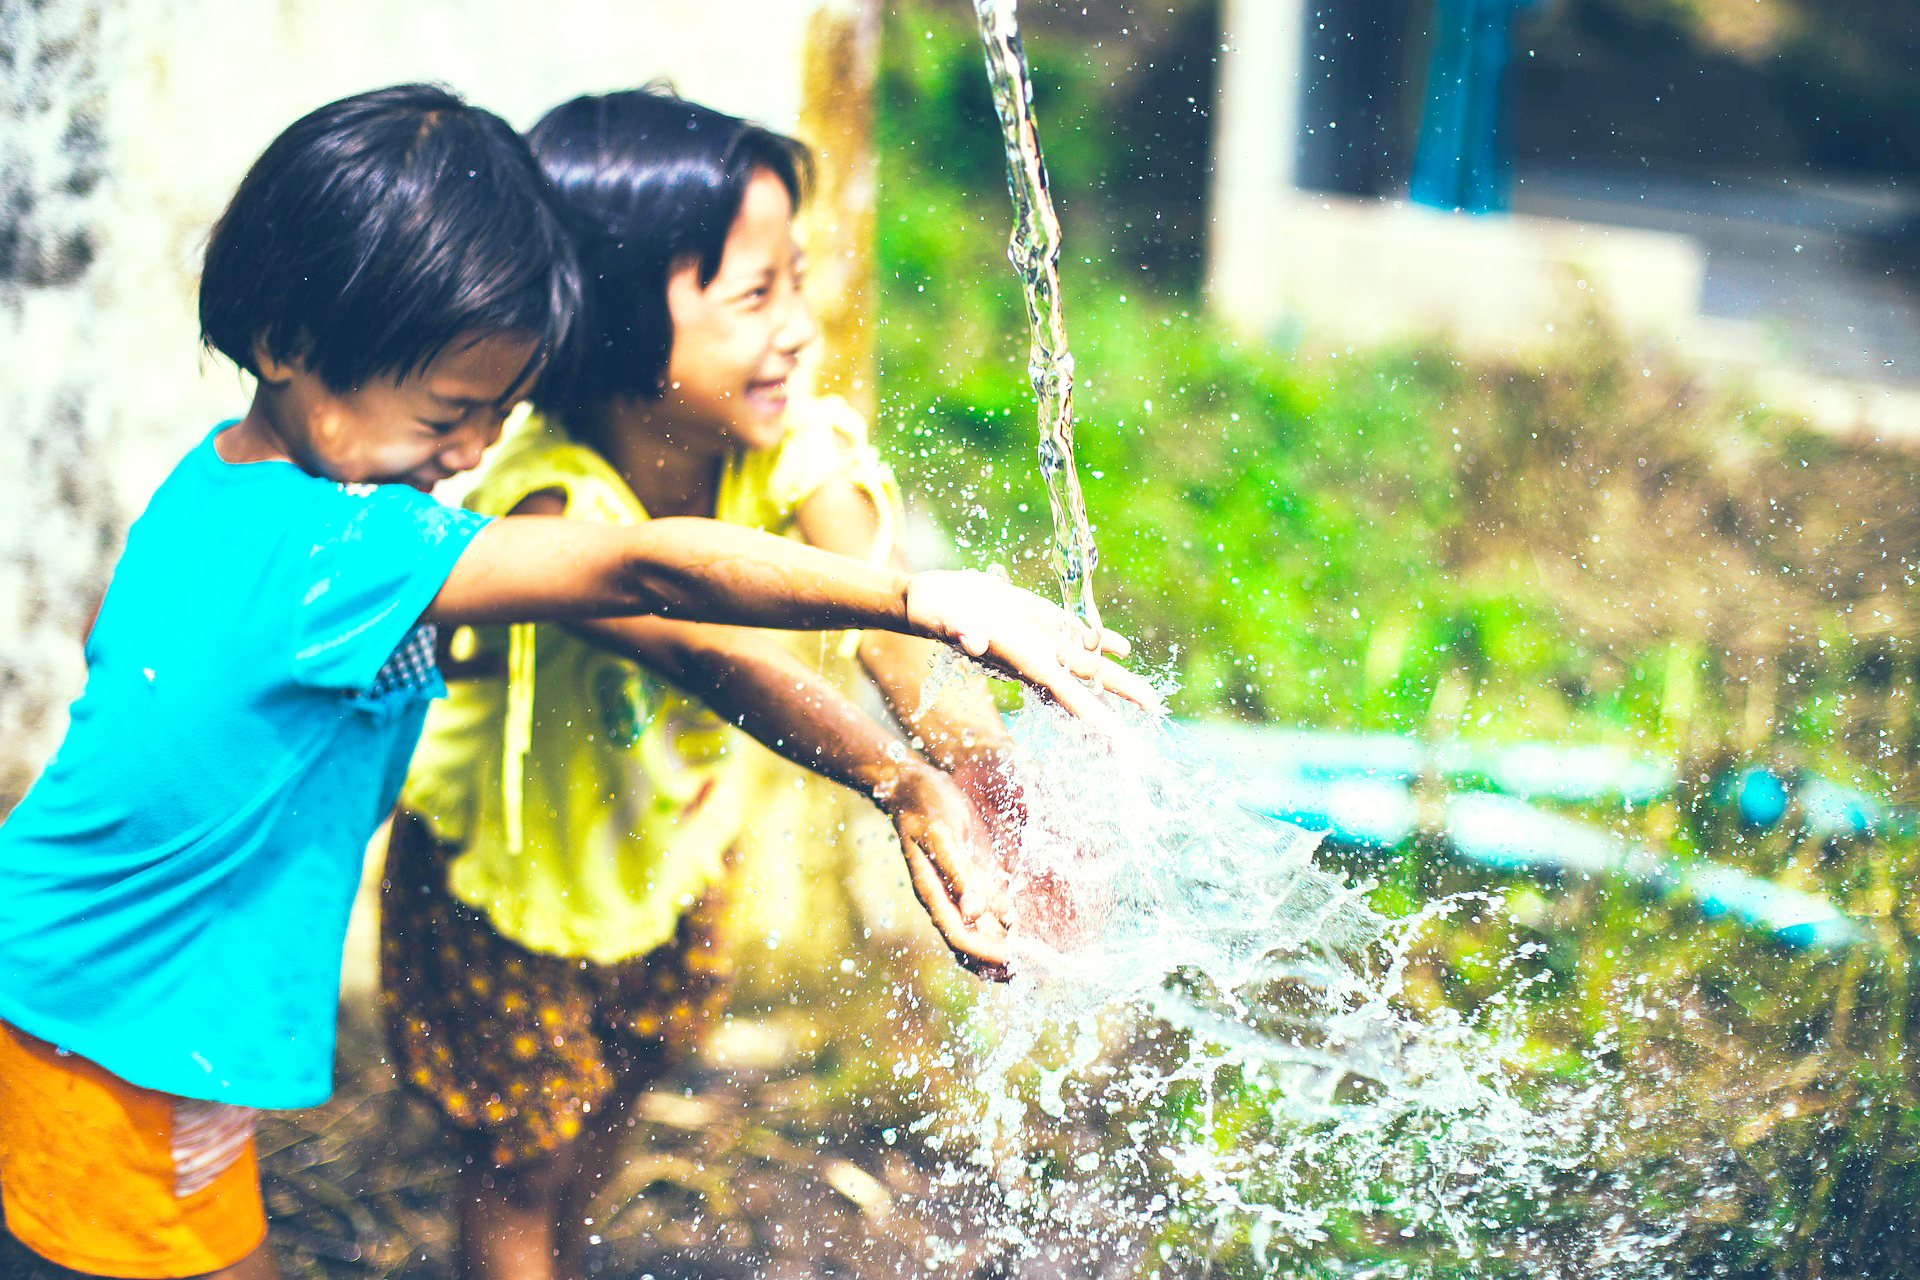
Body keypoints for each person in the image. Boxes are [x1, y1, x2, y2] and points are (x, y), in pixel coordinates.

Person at [0, 84, 1151, 1280]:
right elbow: (647, 568)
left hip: (104, 988)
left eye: (494, 414)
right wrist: (916, 598)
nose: (470, 455)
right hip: (114, 1018)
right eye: (449, 412)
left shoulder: (227, 493)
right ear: (289, 346)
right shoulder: (345, 547)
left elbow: (114, 639)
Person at [383, 87, 1048, 1280]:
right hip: (508, 881)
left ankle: (558, 1257)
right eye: (754, 296)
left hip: (670, 854)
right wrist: (896, 781)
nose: (797, 324)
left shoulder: (790, 445)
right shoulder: (550, 499)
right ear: (615, 322)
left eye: (797, 279)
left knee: (623, 1088)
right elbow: (708, 649)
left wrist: (996, 794)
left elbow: (902, 636)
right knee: (520, 1158)